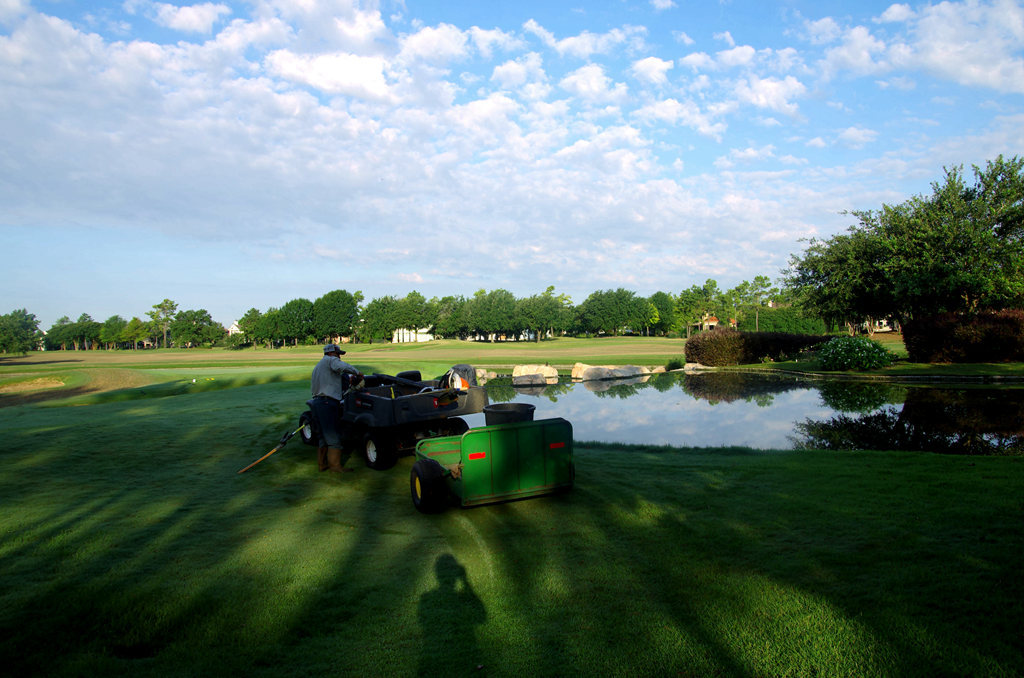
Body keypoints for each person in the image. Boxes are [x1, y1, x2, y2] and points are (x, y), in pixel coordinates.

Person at [310, 344, 363, 473]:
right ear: (331, 353)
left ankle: (322, 464)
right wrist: (357, 372)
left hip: (317, 403)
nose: (339, 356)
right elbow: (342, 366)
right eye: (338, 354)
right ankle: (335, 467)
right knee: (334, 436)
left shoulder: (318, 366)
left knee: (322, 436)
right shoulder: (331, 360)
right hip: (327, 403)